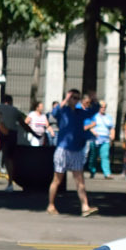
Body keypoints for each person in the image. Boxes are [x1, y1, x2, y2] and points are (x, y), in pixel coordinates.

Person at [47, 88, 98, 216]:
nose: (74, 100)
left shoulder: (81, 112)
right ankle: (51, 205)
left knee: (80, 180)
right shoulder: (63, 110)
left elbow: (94, 110)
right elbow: (54, 112)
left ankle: (85, 206)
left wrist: (94, 99)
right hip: (63, 149)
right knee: (57, 179)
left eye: (76, 98)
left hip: (76, 149)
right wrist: (65, 99)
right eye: (72, 97)